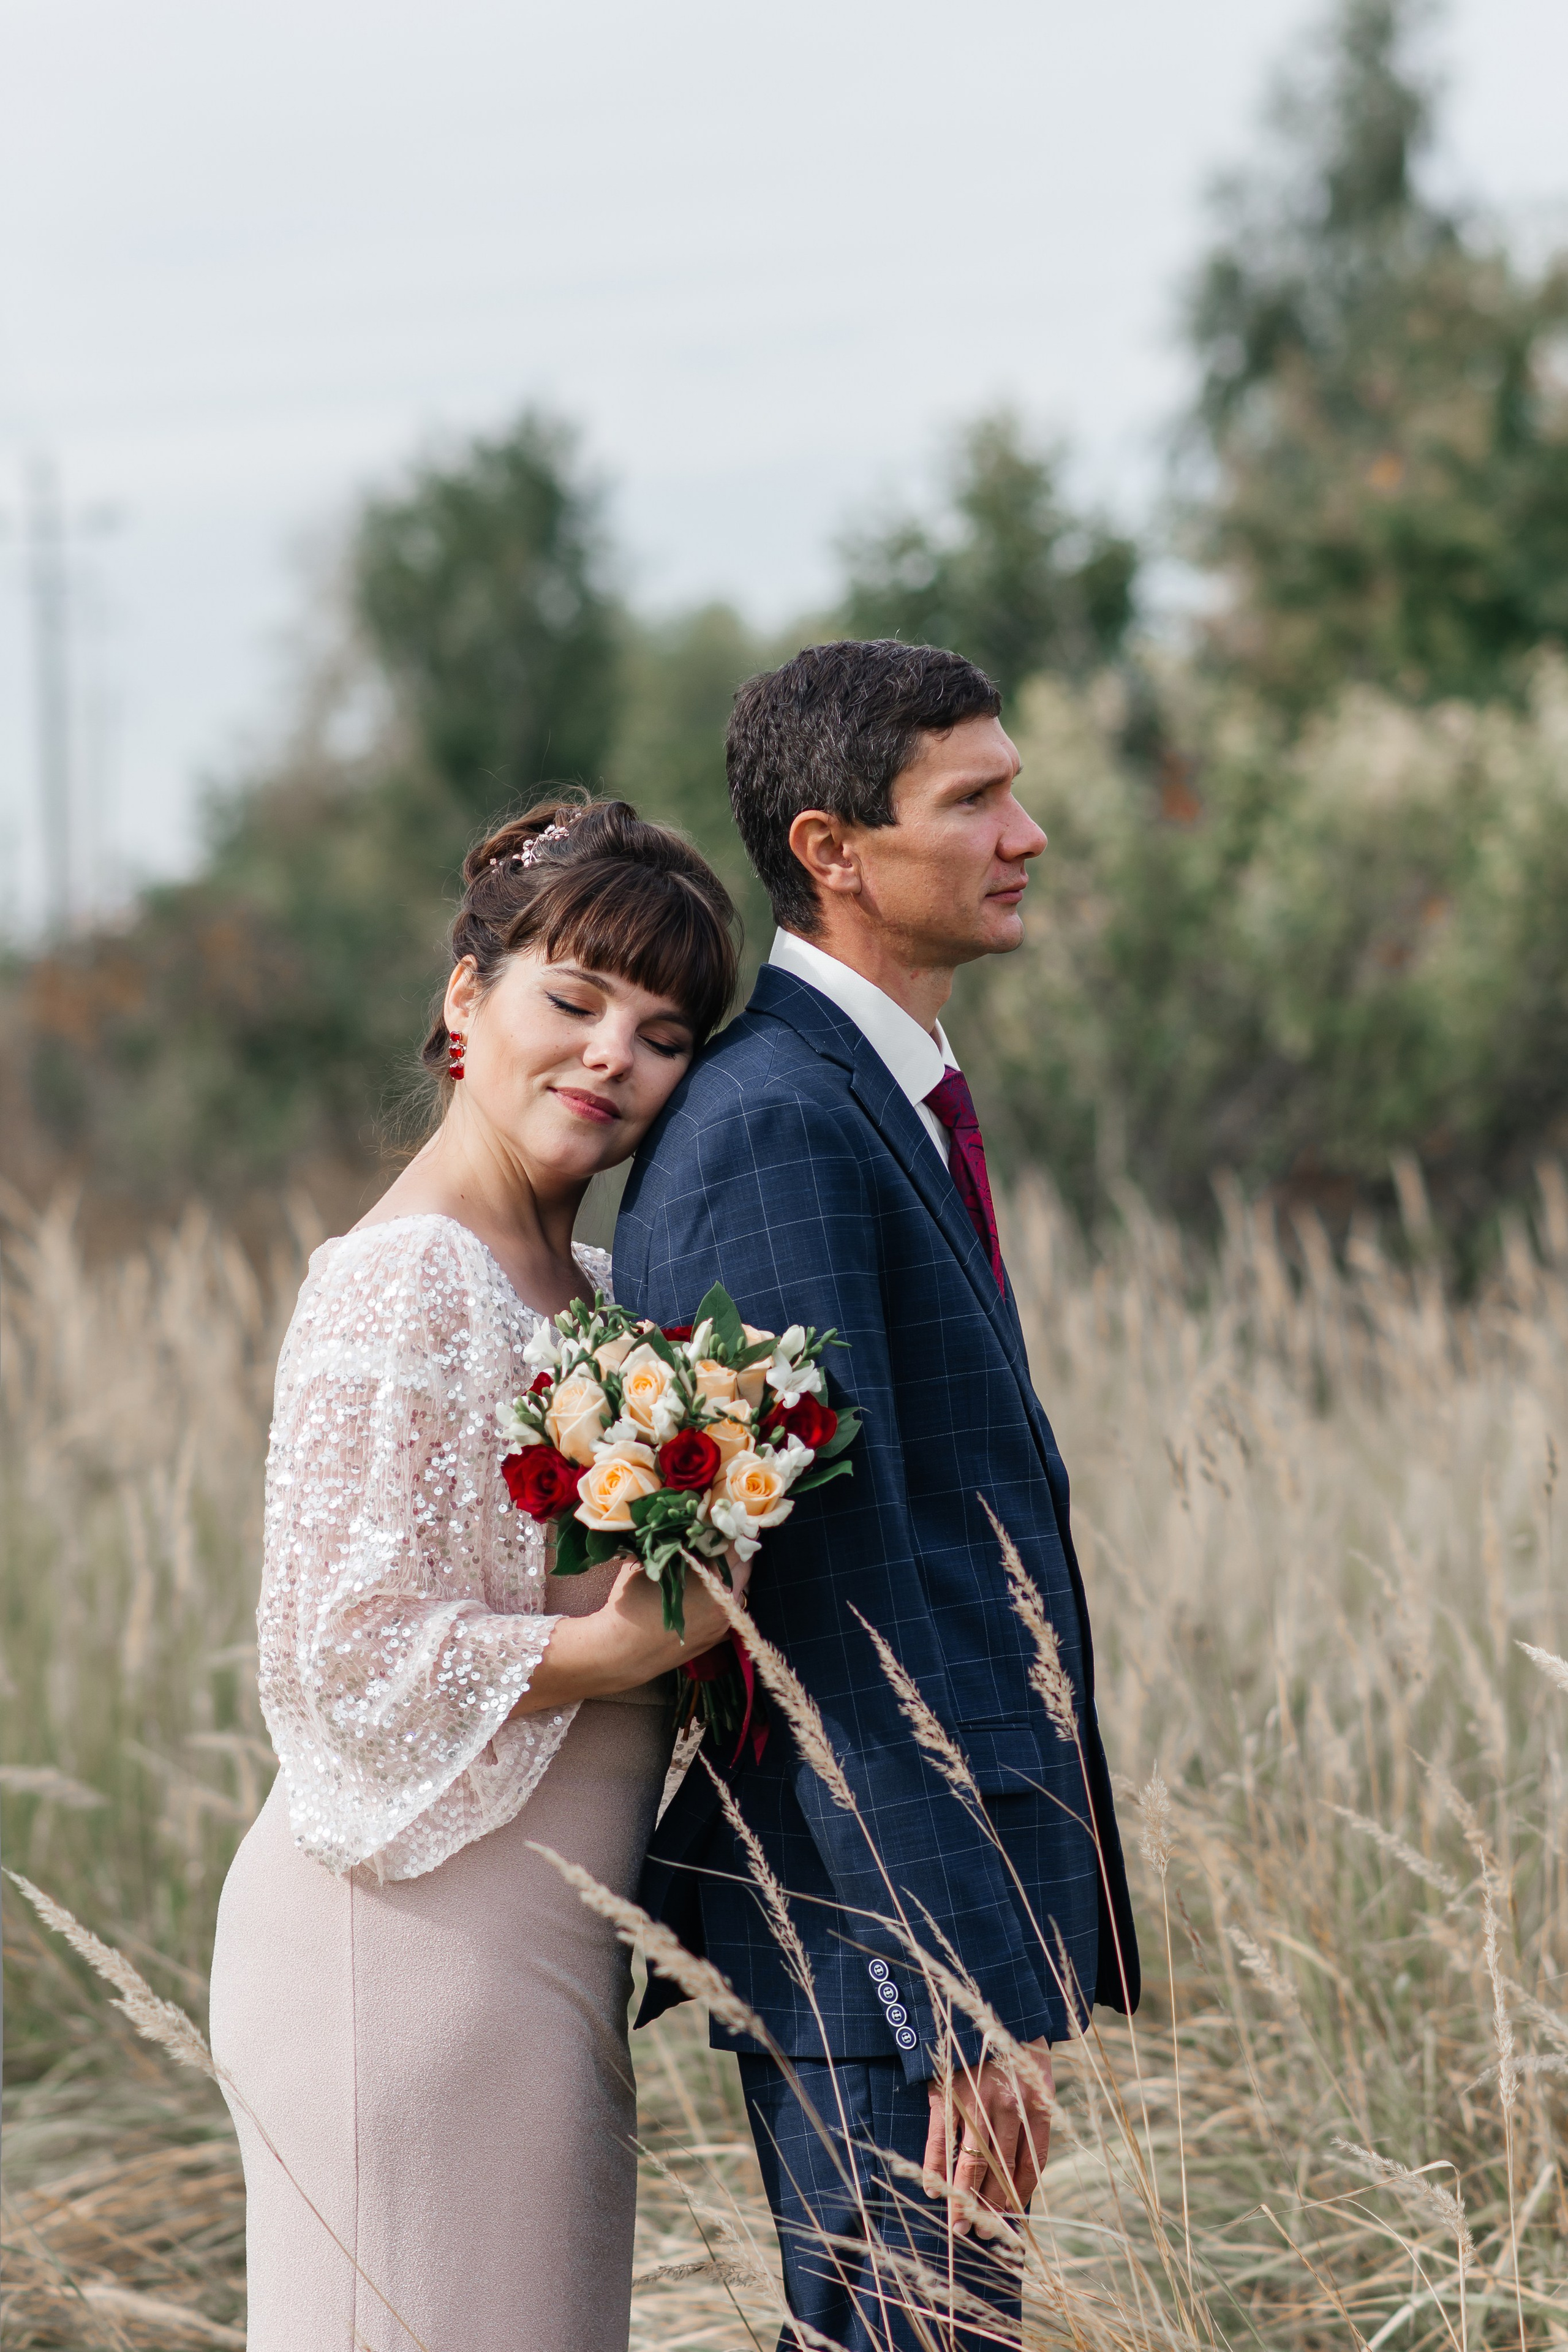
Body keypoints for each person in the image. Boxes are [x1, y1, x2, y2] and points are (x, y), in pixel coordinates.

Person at [615, 639, 1140, 2350]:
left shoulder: (868, 1093)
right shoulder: (778, 1119)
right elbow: (821, 1595)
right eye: (974, 798)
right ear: (834, 850)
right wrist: (949, 2000)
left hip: (913, 1927)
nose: (1027, 832)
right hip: (865, 1941)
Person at [208, 799, 742, 2352]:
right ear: (466, 1000)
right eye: (570, 1004)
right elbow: (339, 1655)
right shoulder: (405, 1277)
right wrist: (626, 1645)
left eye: (660, 1033)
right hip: (402, 1947)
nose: (610, 1059)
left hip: (539, 1952)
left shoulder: (590, 1290)